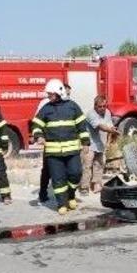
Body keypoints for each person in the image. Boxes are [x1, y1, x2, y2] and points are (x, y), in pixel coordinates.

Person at [32, 79, 90, 215]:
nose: (48, 96)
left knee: (76, 174)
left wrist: (86, 142)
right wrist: (39, 136)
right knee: (58, 179)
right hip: (53, 153)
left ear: (59, 92)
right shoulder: (46, 108)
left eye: (51, 94)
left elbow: (82, 125)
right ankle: (62, 203)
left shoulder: (73, 106)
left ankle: (70, 195)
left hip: (72, 150)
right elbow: (36, 125)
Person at [36, 82, 72, 202]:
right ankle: (43, 192)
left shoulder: (69, 104)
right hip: (51, 143)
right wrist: (40, 136)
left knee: (68, 169)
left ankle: (67, 195)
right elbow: (37, 122)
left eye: (68, 93)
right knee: (47, 169)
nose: (67, 95)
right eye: (66, 92)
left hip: (67, 144)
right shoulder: (45, 104)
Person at [80, 95, 118, 194]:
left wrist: (110, 137)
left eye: (104, 106)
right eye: (100, 106)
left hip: (101, 143)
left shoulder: (107, 113)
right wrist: (110, 130)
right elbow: (100, 127)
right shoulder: (90, 114)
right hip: (89, 144)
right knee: (87, 166)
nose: (102, 108)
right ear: (95, 106)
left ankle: (96, 184)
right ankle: (84, 187)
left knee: (99, 165)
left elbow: (110, 126)